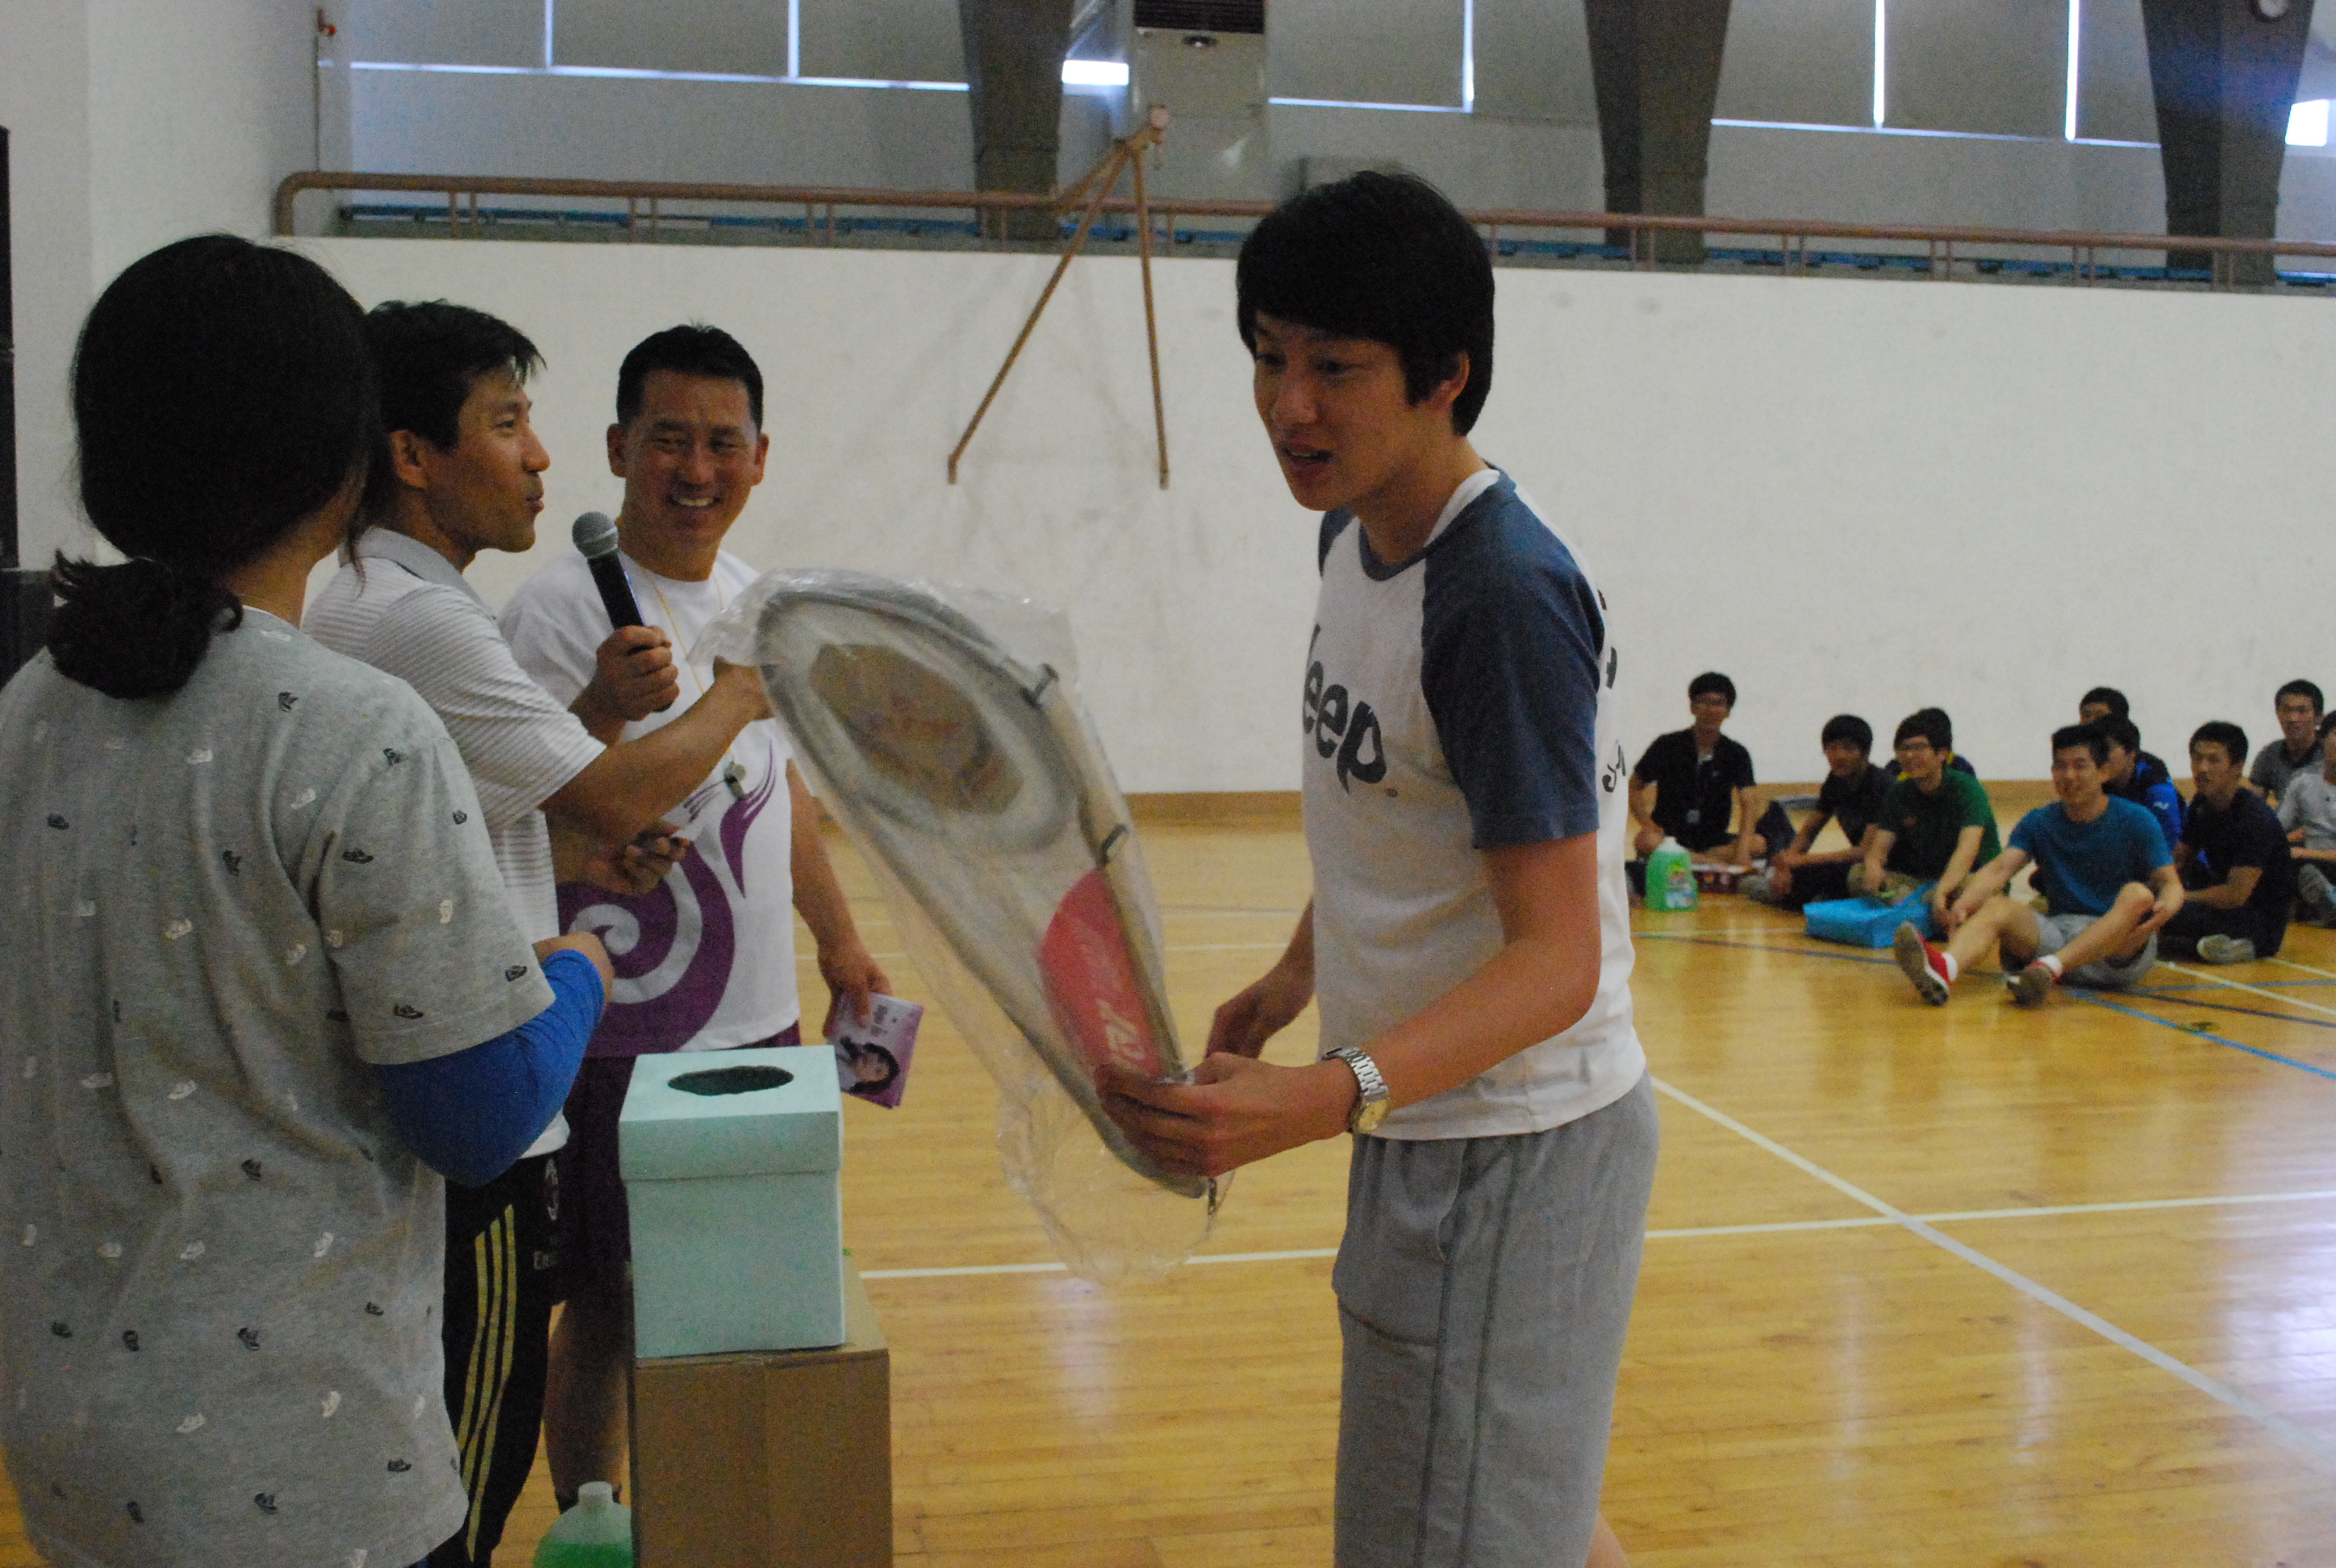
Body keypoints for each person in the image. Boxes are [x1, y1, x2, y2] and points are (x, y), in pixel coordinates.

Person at [0, 236, 611, 1568]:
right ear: (348, 469)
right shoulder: (350, 728)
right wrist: (574, 970)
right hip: (304, 1465)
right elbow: (480, 1116)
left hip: (69, 1440)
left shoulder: (27, 710)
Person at [1095, 172, 1650, 1568]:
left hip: (1508, 1146)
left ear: (1445, 376)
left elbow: (1559, 961)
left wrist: (1322, 1092)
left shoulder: (1498, 597)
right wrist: (1299, 973)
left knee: (1455, 1531)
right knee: (1508, 1516)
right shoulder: (1353, 530)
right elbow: (1394, 802)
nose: (1289, 405)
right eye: (1268, 358)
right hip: (1433, 1121)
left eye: (1334, 368)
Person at [305, 300, 783, 1566]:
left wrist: (579, 844)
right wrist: (739, 692)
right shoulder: (426, 618)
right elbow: (610, 790)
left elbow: (478, 822)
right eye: (509, 422)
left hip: (526, 1065)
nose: (538, 456)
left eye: (724, 442)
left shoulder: (383, 602)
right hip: (487, 1088)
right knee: (481, 1440)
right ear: (413, 455)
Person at [499, 323, 889, 1510]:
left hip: (757, 1025)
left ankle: (721, 1514)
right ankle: (597, 1517)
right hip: (620, 1025)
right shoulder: (555, 613)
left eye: (725, 443)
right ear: (619, 448)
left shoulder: (751, 601)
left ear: (761, 457)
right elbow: (533, 806)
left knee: (745, 1293)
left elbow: (782, 791)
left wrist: (839, 939)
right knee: (610, 1305)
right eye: (670, 439)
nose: (697, 468)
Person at [1894, 725, 2180, 1007]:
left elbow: (2170, 883)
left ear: (2103, 772)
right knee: (1998, 906)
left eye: (2080, 766)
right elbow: (2000, 869)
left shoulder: (2136, 819)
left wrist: (2167, 905)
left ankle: (2048, 969)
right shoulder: (2040, 821)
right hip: (2060, 935)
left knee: (2138, 895)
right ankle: (1945, 968)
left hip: (2117, 951)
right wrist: (1963, 906)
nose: (2069, 775)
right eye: (2060, 766)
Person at [1628, 671, 1794, 870]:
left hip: (1714, 841)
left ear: (1728, 711)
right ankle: (1710, 864)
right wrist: (1648, 824)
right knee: (1646, 840)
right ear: (1692, 707)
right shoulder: (1666, 745)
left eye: (1718, 703)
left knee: (1758, 844)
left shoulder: (1736, 753)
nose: (1710, 709)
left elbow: (1749, 803)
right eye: (1703, 702)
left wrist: (1742, 852)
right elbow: (1634, 786)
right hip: (1670, 837)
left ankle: (1691, 859)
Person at [2160, 721, 2293, 963]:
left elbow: (2235, 894)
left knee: (2172, 912)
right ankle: (2200, 944)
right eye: (2197, 759)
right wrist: (2158, 888)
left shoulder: (2254, 818)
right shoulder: (2202, 803)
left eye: (2213, 760)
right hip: (2219, 903)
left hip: (2257, 920)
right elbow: (2180, 859)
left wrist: (2176, 898)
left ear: (2237, 768)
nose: (2202, 768)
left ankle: (2244, 946)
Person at [1856, 709, 2001, 922]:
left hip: (1969, 877)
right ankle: (1928, 911)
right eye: (1903, 749)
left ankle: (1922, 910)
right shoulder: (1898, 793)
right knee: (1857, 874)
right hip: (1925, 881)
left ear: (1942, 754)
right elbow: (1879, 849)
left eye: (1919, 748)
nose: (1909, 756)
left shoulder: (1968, 789)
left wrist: (1943, 890)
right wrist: (1873, 866)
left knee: (1971, 890)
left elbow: (1966, 851)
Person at [1743, 714, 1888, 909]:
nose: (1839, 756)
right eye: (1831, 748)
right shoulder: (1835, 781)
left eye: (1848, 748)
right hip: (1854, 863)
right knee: (1803, 873)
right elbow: (1809, 831)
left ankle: (1813, 898)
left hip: (1881, 865)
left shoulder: (1880, 785)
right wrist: (1787, 864)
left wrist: (1801, 861)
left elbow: (1865, 851)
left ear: (1865, 751)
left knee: (1821, 874)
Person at [2096, 715, 2183, 857]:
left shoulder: (2156, 787)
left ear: (2131, 752)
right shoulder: (2096, 782)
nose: (2098, 757)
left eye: (2106, 750)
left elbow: (2170, 849)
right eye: (2094, 751)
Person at [2276, 715, 2336, 924]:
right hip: (2314, 865)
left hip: (2317, 857)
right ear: (2322, 739)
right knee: (2284, 860)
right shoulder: (2303, 781)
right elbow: (2276, 828)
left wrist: (2306, 852)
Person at [2078, 686, 2175, 794]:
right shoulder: (2081, 762)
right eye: (2086, 716)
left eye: (2099, 716)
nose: (2090, 722)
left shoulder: (2149, 766)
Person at [2248, 678, 2324, 804]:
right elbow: (2253, 807)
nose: (2293, 718)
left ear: (2319, 717)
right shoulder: (2269, 755)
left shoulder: (2330, 754)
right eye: (2287, 710)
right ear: (2278, 713)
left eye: (2302, 711)